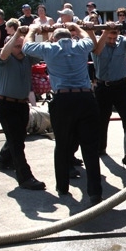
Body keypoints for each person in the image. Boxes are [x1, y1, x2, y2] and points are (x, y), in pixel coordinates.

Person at [22, 24, 102, 207]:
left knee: (62, 145)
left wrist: (32, 30)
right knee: (90, 147)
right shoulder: (80, 46)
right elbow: (89, 40)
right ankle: (95, 192)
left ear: (53, 38)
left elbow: (27, 47)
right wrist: (77, 27)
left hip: (63, 100)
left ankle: (63, 186)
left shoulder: (49, 48)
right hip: (85, 98)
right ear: (71, 37)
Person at [0, 22, 45, 191]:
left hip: (22, 105)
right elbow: (4, 53)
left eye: (22, 46)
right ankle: (25, 177)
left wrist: (41, 32)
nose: (20, 50)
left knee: (18, 136)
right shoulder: (4, 58)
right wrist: (16, 34)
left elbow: (40, 49)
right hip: (6, 105)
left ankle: (4, 159)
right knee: (17, 143)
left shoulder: (27, 58)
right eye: (16, 46)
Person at [91, 21, 126, 155]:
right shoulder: (98, 42)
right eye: (109, 38)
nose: (112, 41)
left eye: (114, 38)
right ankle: (100, 148)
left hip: (120, 86)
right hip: (103, 87)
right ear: (104, 34)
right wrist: (98, 29)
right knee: (101, 120)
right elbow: (93, 44)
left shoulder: (122, 41)